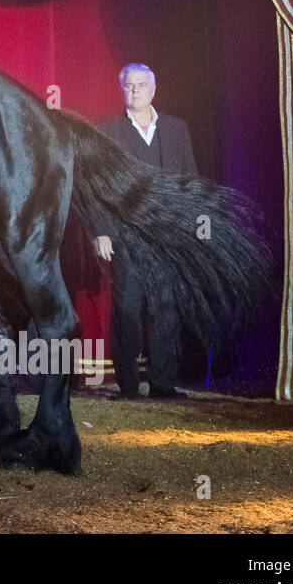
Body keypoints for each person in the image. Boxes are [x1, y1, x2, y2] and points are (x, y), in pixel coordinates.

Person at [94, 63, 198, 399]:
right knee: (127, 308)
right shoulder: (108, 131)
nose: (135, 90)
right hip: (126, 235)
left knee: (164, 308)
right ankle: (127, 384)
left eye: (141, 85)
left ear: (153, 90)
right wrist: (101, 231)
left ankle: (163, 383)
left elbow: (190, 180)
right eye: (129, 85)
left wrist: (191, 227)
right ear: (122, 89)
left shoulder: (176, 129)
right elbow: (98, 186)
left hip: (166, 236)